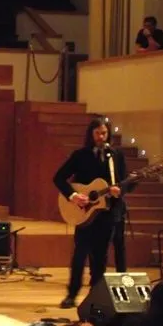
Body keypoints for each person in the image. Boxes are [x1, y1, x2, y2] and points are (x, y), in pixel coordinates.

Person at [53, 117, 129, 308]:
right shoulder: (80, 155)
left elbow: (126, 181)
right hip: (84, 213)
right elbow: (59, 178)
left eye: (104, 133)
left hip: (107, 213)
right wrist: (74, 195)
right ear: (90, 134)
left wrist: (120, 191)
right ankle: (72, 294)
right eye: (97, 133)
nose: (101, 137)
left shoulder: (116, 156)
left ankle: (95, 296)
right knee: (80, 254)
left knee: (100, 257)